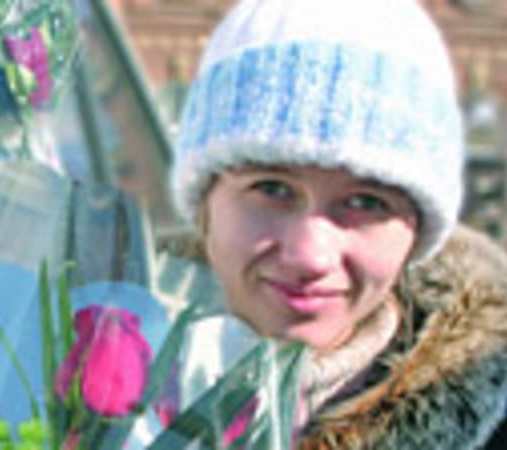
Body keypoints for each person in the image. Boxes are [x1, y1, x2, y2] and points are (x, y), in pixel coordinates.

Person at [169, 0, 507, 448]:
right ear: (205, 202)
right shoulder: (87, 373)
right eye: (272, 188)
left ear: (418, 232)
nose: (310, 256)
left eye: (366, 202)